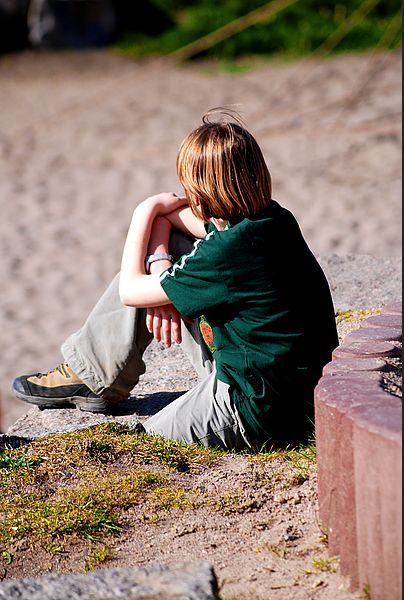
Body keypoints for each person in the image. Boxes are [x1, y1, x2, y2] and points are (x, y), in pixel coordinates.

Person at [12, 109, 339, 450]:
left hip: (257, 408)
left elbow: (129, 290)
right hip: (287, 388)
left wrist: (145, 209)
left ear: (198, 192)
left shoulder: (226, 254)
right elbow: (173, 222)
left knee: (145, 444)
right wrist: (161, 273)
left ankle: (95, 379)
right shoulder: (271, 220)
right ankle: (93, 373)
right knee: (170, 254)